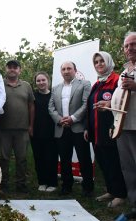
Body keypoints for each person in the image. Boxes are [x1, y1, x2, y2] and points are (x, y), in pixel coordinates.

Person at [83, 51, 127, 207]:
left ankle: (121, 194)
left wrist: (109, 105)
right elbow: (90, 107)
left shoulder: (117, 80)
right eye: (96, 62)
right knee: (103, 163)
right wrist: (88, 128)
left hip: (111, 130)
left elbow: (123, 102)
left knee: (114, 163)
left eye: (102, 61)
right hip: (96, 132)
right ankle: (111, 190)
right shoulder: (97, 83)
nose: (99, 64)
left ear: (108, 61)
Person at [48, 61, 94, 196]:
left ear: (75, 70)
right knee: (64, 159)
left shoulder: (85, 84)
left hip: (78, 127)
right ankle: (66, 186)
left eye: (69, 68)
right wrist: (59, 119)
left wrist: (72, 118)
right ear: (61, 72)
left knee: (84, 158)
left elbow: (86, 104)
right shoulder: (56, 88)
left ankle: (88, 187)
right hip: (61, 128)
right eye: (63, 69)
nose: (66, 71)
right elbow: (51, 107)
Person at [109, 32, 136, 217]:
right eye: (127, 46)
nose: (130, 49)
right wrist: (108, 105)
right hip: (123, 126)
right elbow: (120, 97)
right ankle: (135, 204)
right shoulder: (126, 70)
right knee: (129, 169)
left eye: (133, 44)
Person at [0, 60, 34, 193]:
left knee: (22, 158)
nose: (12, 69)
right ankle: (3, 183)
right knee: (3, 158)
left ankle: (21, 184)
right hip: (3, 129)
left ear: (20, 70)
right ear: (6, 69)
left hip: (22, 129)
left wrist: (31, 125)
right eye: (10, 67)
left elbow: (31, 105)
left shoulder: (26, 86)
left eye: (15, 67)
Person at [31, 72, 58, 192]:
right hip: (36, 132)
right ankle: (42, 182)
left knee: (51, 158)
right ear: (35, 83)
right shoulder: (33, 97)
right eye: (38, 81)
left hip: (52, 132)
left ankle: (52, 182)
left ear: (48, 81)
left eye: (43, 80)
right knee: (39, 158)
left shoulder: (54, 96)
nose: (41, 83)